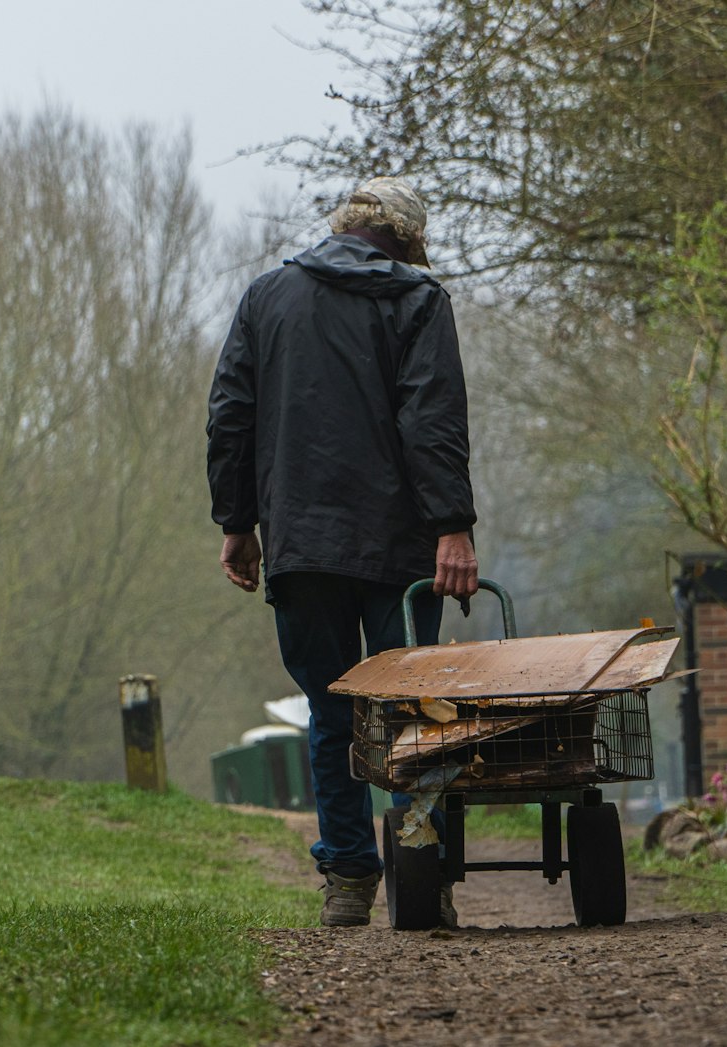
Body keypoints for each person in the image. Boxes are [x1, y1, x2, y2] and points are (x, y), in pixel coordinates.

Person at [206, 176, 478, 927]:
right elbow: (433, 420)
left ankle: (349, 882)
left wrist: (238, 522)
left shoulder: (267, 298)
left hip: (301, 545)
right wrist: (452, 525)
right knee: (419, 709)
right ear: (405, 241)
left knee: (329, 712)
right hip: (400, 552)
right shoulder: (419, 303)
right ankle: (423, 873)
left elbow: (231, 414)